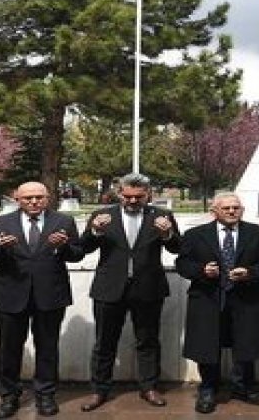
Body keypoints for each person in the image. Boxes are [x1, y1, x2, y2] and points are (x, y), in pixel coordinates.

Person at [0, 181, 85, 418]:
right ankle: (9, 396)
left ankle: (45, 395)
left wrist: (65, 245)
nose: (34, 202)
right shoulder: (0, 223)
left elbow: (77, 255)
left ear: (48, 198)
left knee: (47, 347)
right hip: (10, 296)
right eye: (28, 198)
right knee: (9, 348)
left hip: (50, 295)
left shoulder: (63, 222)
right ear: (17, 199)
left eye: (39, 197)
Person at [78, 172, 182, 411]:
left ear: (148, 195)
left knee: (148, 341)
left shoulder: (162, 216)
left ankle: (149, 388)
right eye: (127, 196)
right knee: (104, 343)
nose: (133, 201)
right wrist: (95, 231)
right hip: (109, 289)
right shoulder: (102, 216)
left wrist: (167, 234)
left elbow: (179, 248)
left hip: (148, 289)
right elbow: (82, 248)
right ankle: (99, 391)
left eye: (139, 196)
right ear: (119, 194)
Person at [174, 192, 259, 414]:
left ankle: (244, 387)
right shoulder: (194, 235)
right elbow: (182, 264)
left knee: (246, 343)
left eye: (236, 208)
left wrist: (249, 272)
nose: (232, 212)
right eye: (227, 208)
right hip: (208, 298)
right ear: (214, 212)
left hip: (246, 297)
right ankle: (208, 388)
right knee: (207, 344)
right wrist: (202, 271)